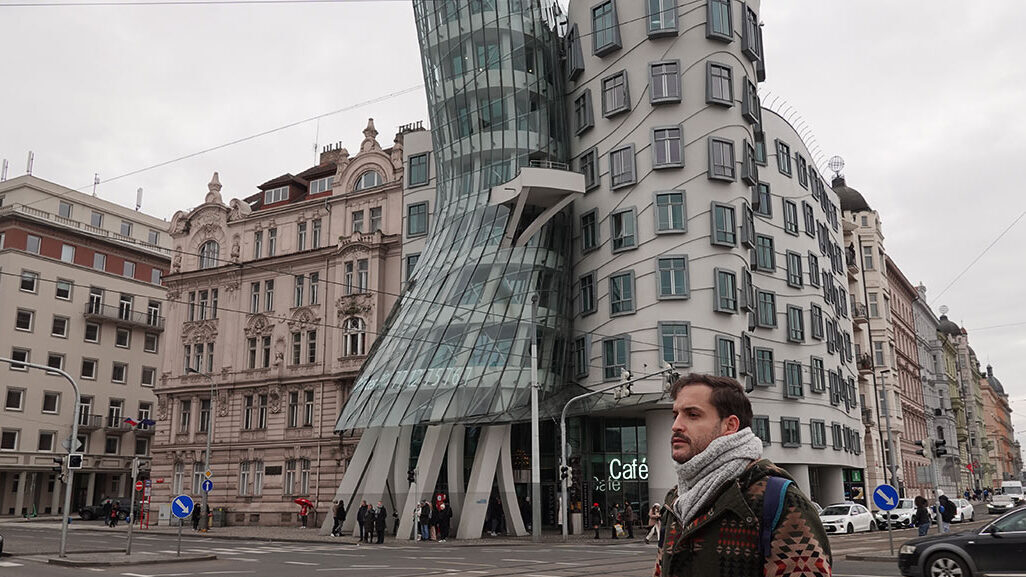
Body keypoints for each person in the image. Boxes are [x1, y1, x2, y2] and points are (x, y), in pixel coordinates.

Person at [654, 374, 831, 577]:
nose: (676, 425)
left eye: (692, 415)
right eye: (675, 415)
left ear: (730, 426)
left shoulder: (781, 501)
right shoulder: (675, 502)